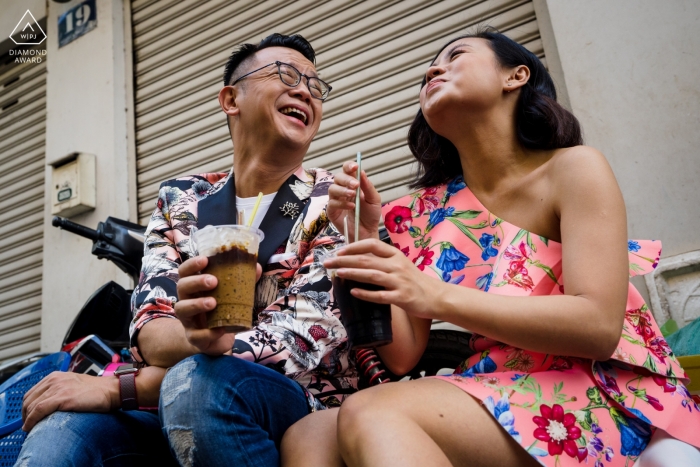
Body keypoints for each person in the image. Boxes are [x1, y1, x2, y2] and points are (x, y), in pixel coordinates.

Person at [280, 29, 700, 467]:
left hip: (603, 390)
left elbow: (597, 326)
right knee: (309, 434)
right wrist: (364, 234)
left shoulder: (573, 168)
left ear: (516, 76)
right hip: (496, 383)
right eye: (428, 72)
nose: (432, 70)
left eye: (455, 55)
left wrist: (435, 293)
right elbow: (402, 355)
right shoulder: (424, 213)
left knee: (374, 410)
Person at [15, 33, 356, 467]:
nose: (305, 90)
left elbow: (302, 341)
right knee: (63, 426)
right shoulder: (182, 198)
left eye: (315, 84)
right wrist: (194, 339)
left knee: (197, 386)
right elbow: (151, 326)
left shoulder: (335, 200)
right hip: (176, 397)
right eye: (287, 74)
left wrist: (122, 386)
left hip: (298, 410)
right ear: (231, 99)